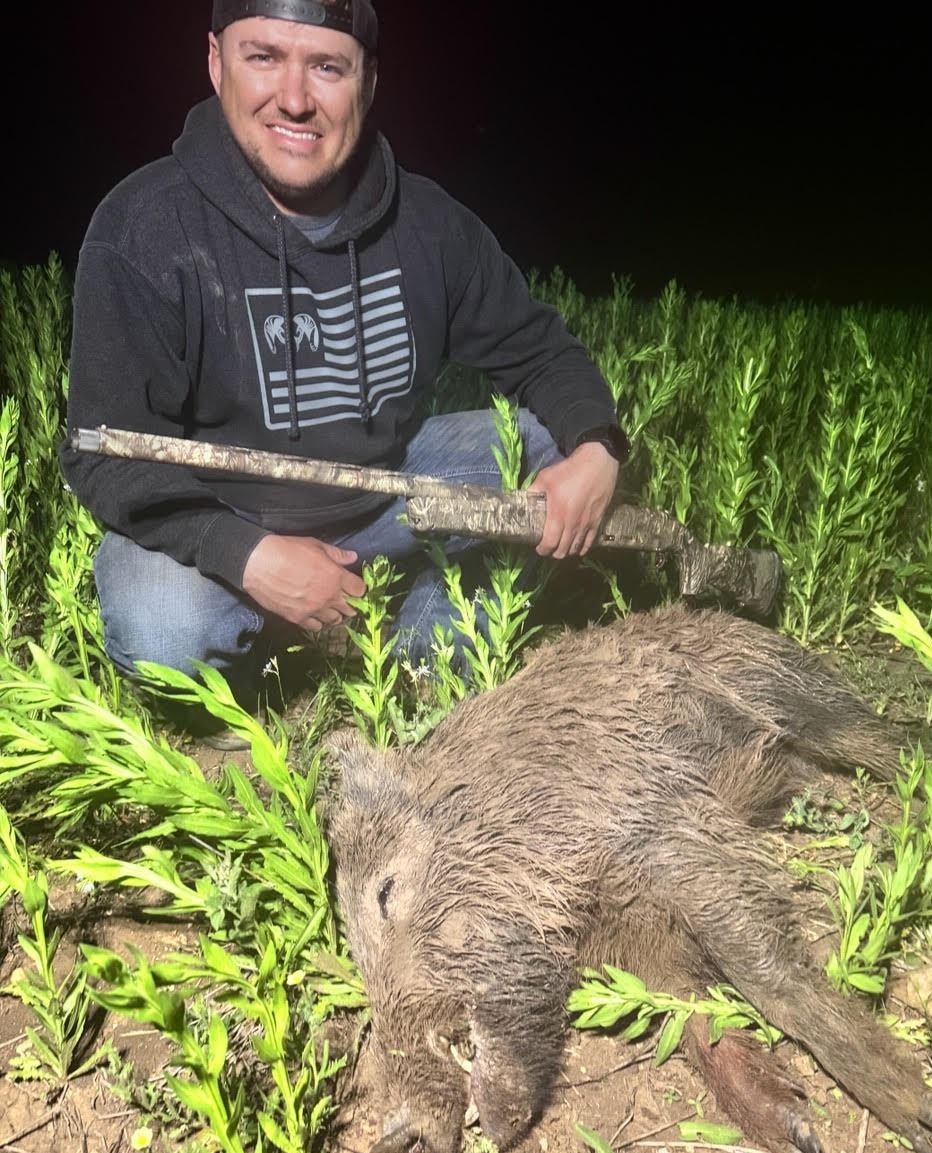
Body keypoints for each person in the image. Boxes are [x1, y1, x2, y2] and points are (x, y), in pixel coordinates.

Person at [62, 0, 627, 742]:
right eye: (264, 57)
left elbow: (542, 350)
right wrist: (251, 558)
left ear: (368, 80)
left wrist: (600, 448)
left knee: (549, 445)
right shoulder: (143, 227)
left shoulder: (430, 225)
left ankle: (421, 667)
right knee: (162, 628)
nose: (295, 98)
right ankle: (253, 665)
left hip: (383, 497)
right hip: (220, 518)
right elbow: (102, 456)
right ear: (216, 63)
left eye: (327, 67)